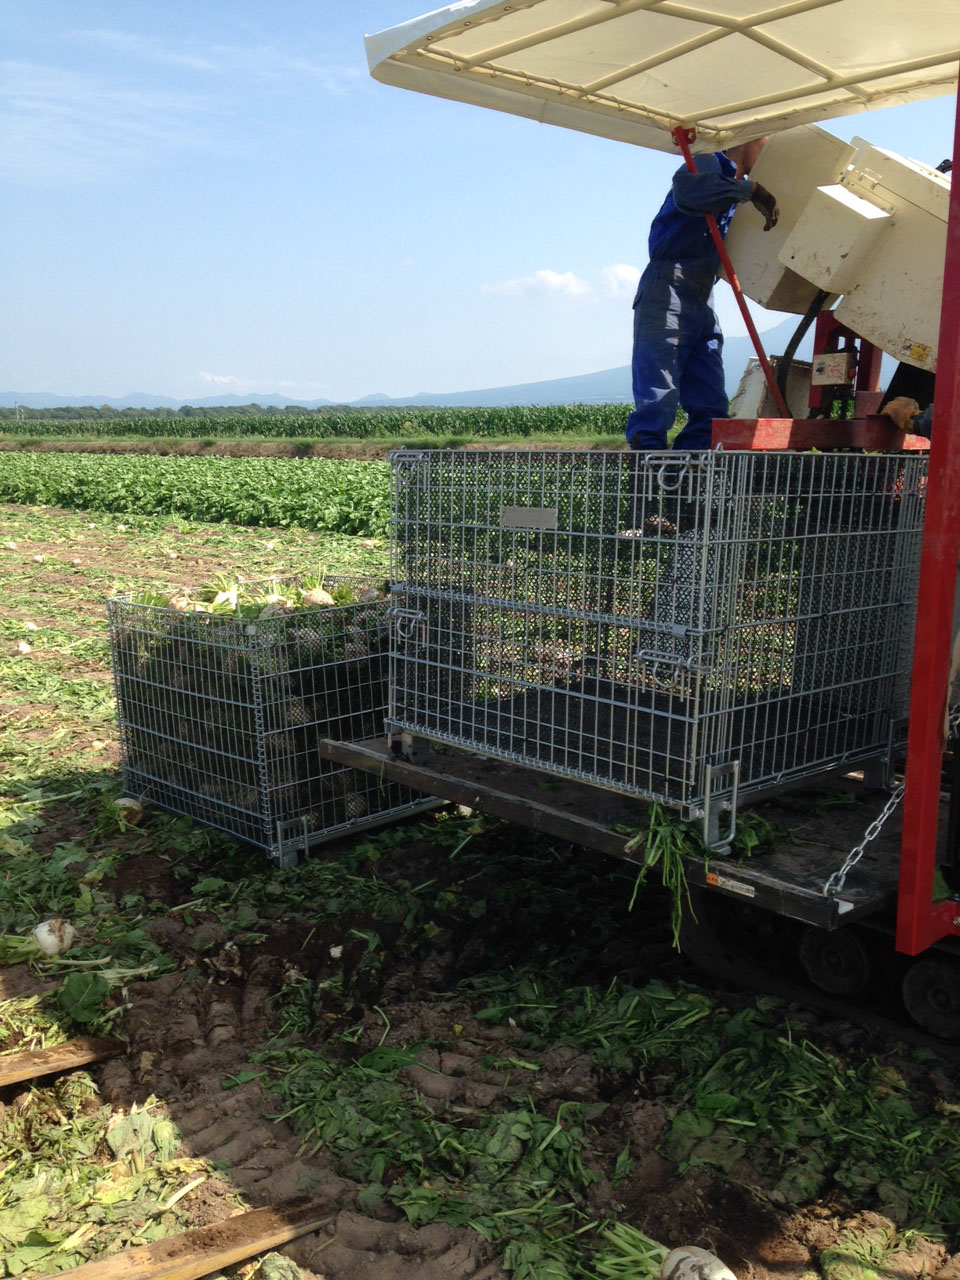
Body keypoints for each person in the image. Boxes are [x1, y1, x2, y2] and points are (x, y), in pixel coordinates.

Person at [625, 139, 779, 452]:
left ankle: (687, 480)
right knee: (659, 396)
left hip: (702, 293)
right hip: (669, 287)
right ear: (753, 139)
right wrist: (748, 192)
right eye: (768, 142)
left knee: (710, 404)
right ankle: (647, 481)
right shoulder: (711, 163)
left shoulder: (734, 184)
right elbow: (689, 191)